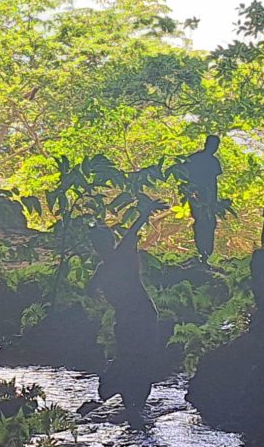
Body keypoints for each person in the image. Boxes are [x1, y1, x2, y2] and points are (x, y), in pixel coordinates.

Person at [89, 197, 165, 426]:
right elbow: (132, 232)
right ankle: (132, 405)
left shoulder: (106, 267)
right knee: (139, 359)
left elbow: (132, 232)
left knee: (133, 358)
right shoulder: (115, 260)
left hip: (133, 317)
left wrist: (145, 214)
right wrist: (144, 213)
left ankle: (129, 401)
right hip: (139, 315)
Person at [177, 135, 223, 261]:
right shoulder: (195, 159)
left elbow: (213, 181)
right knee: (201, 221)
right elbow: (184, 175)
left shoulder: (211, 161)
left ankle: (206, 252)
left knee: (209, 222)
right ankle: (202, 250)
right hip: (196, 196)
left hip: (210, 198)